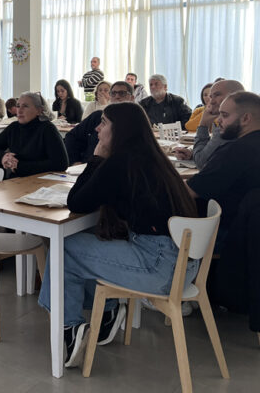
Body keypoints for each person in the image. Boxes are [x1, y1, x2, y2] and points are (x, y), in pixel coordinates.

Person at [39, 102, 199, 368]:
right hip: (183, 264)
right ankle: (109, 311)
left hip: (159, 267)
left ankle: (68, 327)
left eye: (103, 123)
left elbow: (76, 202)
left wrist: (97, 158)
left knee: (64, 247)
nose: (98, 129)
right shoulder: (152, 157)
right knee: (91, 238)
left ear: (120, 130)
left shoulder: (121, 162)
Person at [186, 91, 260, 248]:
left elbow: (188, 192)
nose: (218, 121)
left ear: (245, 118)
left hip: (228, 236)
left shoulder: (236, 151)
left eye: (224, 115)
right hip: (254, 234)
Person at [173, 79, 260, 170]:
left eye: (217, 95)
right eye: (210, 96)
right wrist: (194, 154)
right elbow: (216, 154)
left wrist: (203, 124)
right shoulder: (249, 113)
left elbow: (203, 163)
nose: (211, 101)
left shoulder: (237, 119)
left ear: (235, 96)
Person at [0, 92, 68, 178]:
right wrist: (3, 156)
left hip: (41, 181)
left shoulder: (48, 129)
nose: (20, 110)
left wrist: (20, 166)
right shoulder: (14, 127)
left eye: (25, 106)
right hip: (16, 181)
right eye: (18, 106)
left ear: (39, 110)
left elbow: (61, 163)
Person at [64, 81, 135, 165]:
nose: (117, 96)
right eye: (113, 93)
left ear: (132, 98)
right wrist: (74, 161)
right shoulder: (97, 117)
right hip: (89, 165)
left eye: (122, 93)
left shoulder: (135, 122)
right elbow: (72, 136)